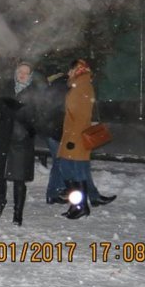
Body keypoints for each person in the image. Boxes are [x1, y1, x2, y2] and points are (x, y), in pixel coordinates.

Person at [38, 72, 116, 207]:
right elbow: (66, 112)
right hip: (61, 133)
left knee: (65, 164)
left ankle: (55, 194)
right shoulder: (66, 88)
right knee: (77, 165)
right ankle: (87, 197)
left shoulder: (58, 87)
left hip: (57, 132)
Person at [0, 62, 38, 226]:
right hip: (2, 139)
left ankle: (18, 213)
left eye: (26, 73)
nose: (22, 74)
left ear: (30, 76)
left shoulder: (34, 94)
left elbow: (37, 119)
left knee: (18, 179)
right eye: (20, 71)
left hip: (21, 142)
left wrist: (26, 128)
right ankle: (1, 202)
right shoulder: (5, 90)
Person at [58, 59, 98, 219]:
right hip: (72, 135)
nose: (68, 73)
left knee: (78, 172)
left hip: (76, 137)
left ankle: (81, 206)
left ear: (78, 70)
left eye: (71, 70)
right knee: (68, 170)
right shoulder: (78, 85)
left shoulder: (83, 86)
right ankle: (77, 205)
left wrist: (73, 137)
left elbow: (82, 116)